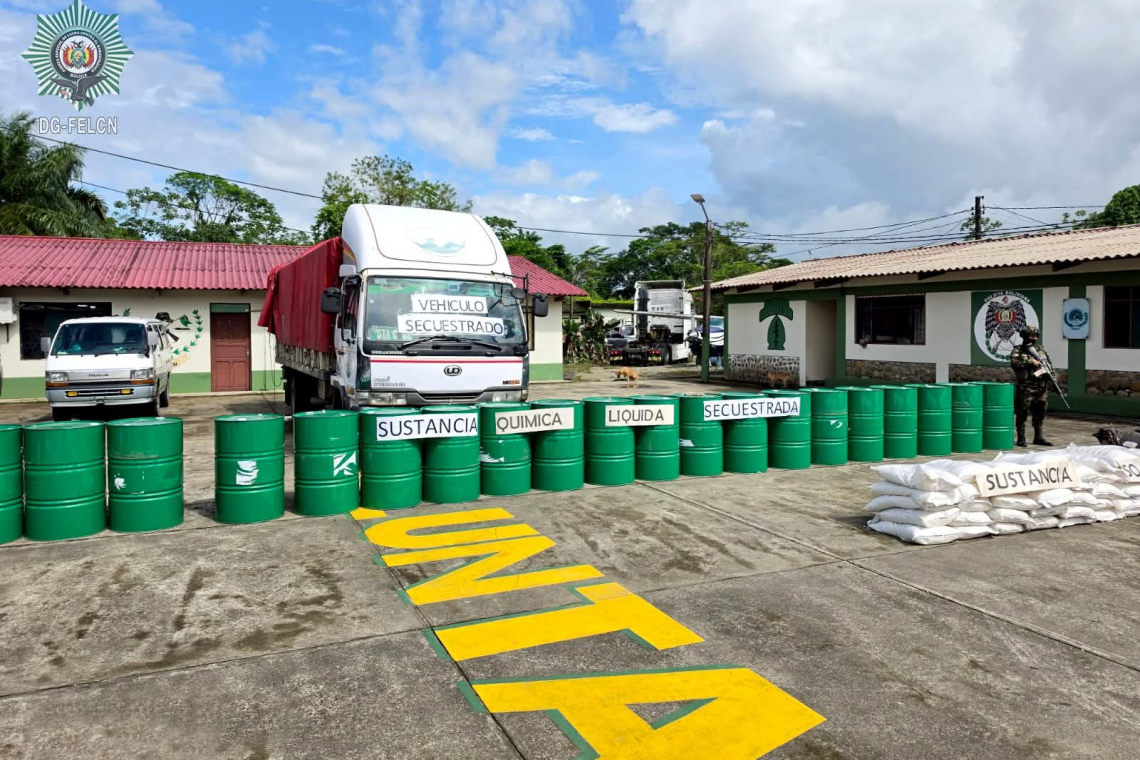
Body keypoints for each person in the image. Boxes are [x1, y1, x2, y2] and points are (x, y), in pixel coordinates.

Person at [1009, 325, 1053, 447]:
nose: (1034, 338)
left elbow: (1049, 365)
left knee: (1040, 413)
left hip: (1041, 387)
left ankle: (1038, 437)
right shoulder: (1018, 350)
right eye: (1031, 336)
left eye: (1036, 336)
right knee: (1022, 413)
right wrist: (1030, 362)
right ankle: (1021, 438)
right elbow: (1015, 363)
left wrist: (1052, 377)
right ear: (1025, 336)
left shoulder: (1041, 350)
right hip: (1026, 388)